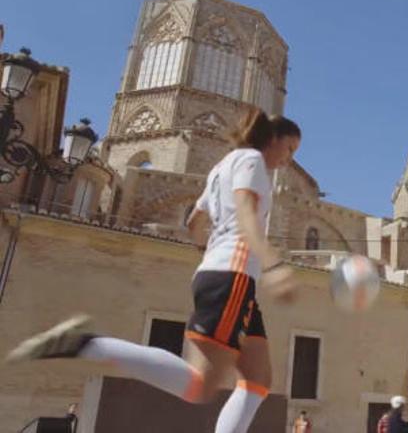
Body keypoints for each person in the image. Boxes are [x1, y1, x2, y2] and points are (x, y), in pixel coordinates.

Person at [5, 108, 302, 433]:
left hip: (224, 274)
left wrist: (211, 251)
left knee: (258, 380)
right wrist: (272, 264)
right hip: (233, 276)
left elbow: (194, 222)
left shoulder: (221, 167)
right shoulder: (252, 161)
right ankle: (85, 343)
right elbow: (246, 214)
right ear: (272, 139)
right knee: (201, 385)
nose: (288, 159)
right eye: (289, 148)